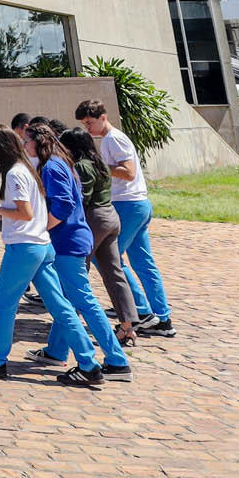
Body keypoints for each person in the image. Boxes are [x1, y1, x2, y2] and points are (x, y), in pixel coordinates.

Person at [0, 127, 101, 387]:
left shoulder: (15, 172)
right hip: (41, 245)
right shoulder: (29, 169)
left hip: (24, 247)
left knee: (3, 304)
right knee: (60, 306)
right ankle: (88, 362)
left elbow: (24, 212)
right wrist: (3, 212)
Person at [36, 133, 131, 380]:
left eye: (26, 141)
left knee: (84, 302)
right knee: (68, 301)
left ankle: (116, 360)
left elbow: (64, 206)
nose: (24, 146)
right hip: (75, 239)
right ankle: (57, 350)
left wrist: (41, 227)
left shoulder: (54, 167)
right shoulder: (66, 165)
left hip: (68, 242)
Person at [79, 99, 175, 337]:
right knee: (141, 262)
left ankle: (140, 311)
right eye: (84, 124)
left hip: (128, 204)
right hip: (135, 204)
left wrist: (100, 165)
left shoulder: (114, 139)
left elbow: (129, 172)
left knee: (109, 260)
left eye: (89, 122)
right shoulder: (111, 139)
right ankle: (161, 317)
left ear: (103, 117)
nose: (87, 128)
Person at [62, 127, 138, 346]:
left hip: (94, 218)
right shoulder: (100, 163)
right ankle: (127, 325)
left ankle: (70, 324)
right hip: (110, 216)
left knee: (75, 271)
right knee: (114, 272)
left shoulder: (81, 167)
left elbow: (81, 199)